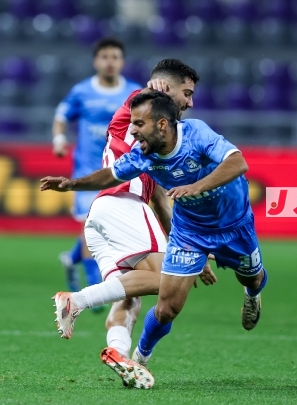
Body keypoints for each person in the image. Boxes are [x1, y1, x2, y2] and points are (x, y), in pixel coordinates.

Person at [40, 91, 268, 388]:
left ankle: (251, 295)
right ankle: (137, 354)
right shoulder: (143, 154)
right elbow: (111, 175)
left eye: (139, 124)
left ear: (161, 124)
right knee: (167, 299)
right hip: (177, 227)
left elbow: (237, 164)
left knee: (251, 278)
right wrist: (72, 184)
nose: (133, 130)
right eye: (132, 123)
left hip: (234, 225)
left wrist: (197, 187)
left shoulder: (195, 133)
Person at [45, 60, 216, 389]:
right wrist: (152, 90)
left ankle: (120, 355)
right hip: (124, 204)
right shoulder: (137, 107)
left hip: (101, 217)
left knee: (128, 297)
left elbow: (162, 204)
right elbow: (140, 99)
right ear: (166, 88)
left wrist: (190, 250)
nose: (190, 102)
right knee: (168, 283)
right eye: (187, 93)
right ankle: (77, 300)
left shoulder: (154, 144)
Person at [52, 37, 141, 296]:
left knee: (108, 227)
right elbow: (60, 117)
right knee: (91, 223)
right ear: (96, 61)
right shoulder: (81, 91)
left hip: (121, 170)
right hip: (87, 170)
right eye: (105, 57)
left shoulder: (135, 93)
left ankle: (72, 259)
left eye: (115, 57)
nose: (110, 62)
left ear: (122, 62)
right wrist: (59, 139)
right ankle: (94, 285)